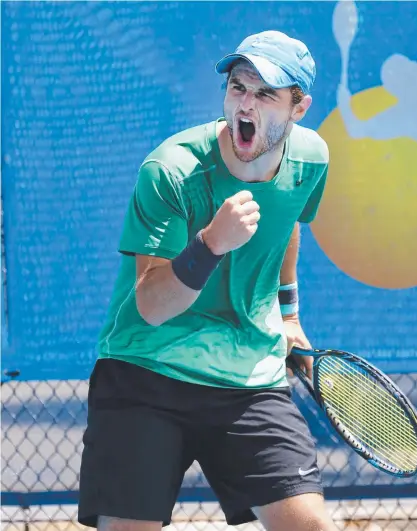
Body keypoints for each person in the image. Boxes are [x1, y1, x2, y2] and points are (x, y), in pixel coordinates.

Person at [78, 30, 333, 531]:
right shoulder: (171, 169)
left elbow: (287, 225)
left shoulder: (311, 159)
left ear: (299, 108)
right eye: (239, 87)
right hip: (147, 371)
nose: (247, 103)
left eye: (265, 94)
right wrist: (211, 244)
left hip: (250, 381)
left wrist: (289, 315)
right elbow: (151, 305)